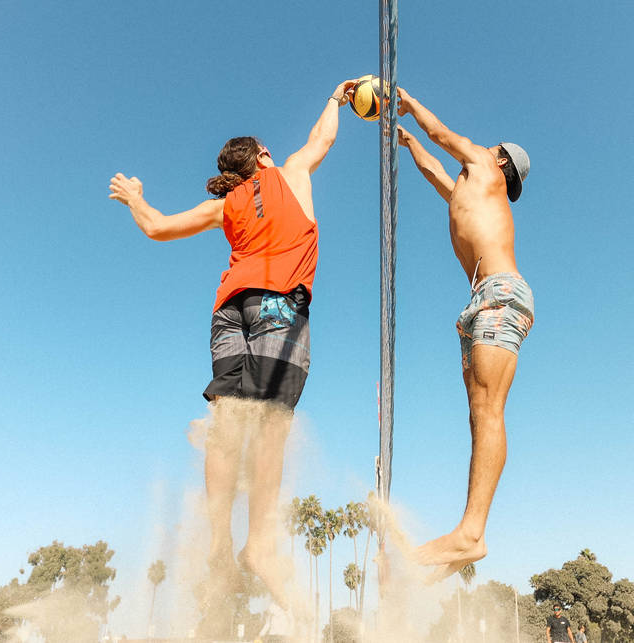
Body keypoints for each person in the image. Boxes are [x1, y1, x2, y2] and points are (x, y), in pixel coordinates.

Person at [109, 78, 357, 612]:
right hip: (277, 308)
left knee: (226, 424)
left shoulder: (224, 206)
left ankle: (218, 541)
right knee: (269, 426)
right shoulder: (291, 172)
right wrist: (336, 99)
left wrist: (135, 198)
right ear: (262, 155)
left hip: (229, 310)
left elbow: (155, 228)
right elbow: (324, 138)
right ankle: (259, 544)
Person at [395, 87, 532, 579]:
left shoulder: (486, 165)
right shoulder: (468, 190)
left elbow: (444, 136)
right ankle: (465, 539)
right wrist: (408, 142)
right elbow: (435, 168)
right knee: (479, 415)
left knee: (489, 408)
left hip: (500, 293)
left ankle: (472, 533)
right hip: (479, 301)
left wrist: (408, 102)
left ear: (499, 160)